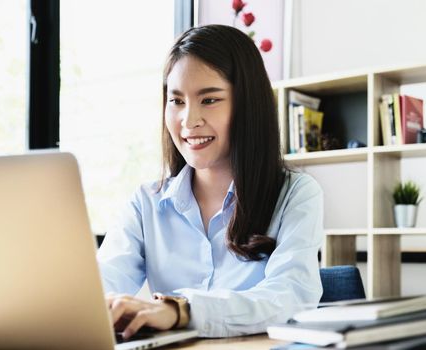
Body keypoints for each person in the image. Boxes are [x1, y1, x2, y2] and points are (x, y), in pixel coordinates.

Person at [97, 24, 323, 340]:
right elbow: (98, 288)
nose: (189, 121)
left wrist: (182, 310)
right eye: (176, 101)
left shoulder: (296, 194)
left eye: (209, 100)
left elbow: (290, 296)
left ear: (247, 106)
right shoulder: (145, 203)